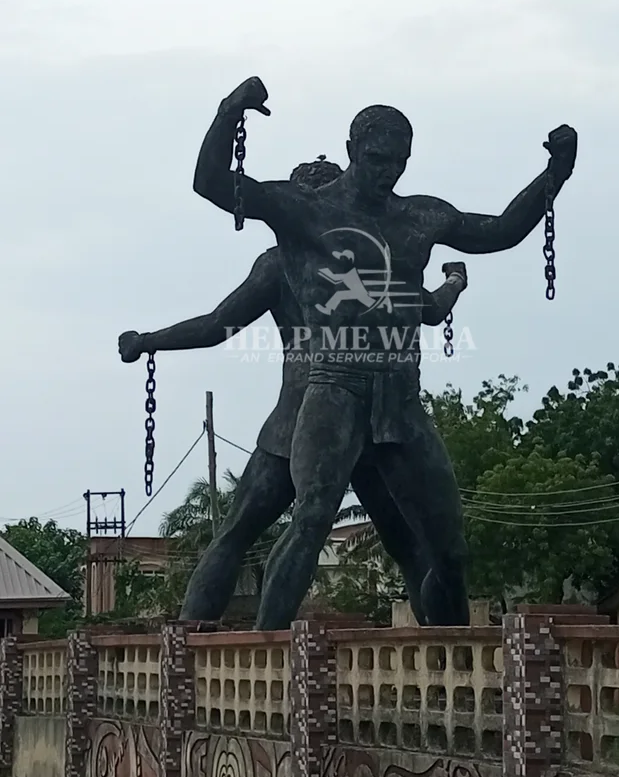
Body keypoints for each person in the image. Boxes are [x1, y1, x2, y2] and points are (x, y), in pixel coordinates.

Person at [191, 76, 577, 630]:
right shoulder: (305, 209)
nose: (387, 171)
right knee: (312, 520)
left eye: (398, 161)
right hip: (334, 385)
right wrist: (230, 112)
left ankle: (456, 666)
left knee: (449, 550)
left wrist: (554, 174)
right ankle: (269, 653)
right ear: (351, 151)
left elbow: (499, 232)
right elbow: (210, 184)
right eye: (376, 159)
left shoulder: (419, 216)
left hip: (400, 397)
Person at [119, 157, 468, 625]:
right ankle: (444, 655)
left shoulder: (283, 265)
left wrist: (149, 341)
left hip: (303, 422)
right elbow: (430, 308)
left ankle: (202, 649)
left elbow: (215, 325)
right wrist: (455, 281)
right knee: (409, 548)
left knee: (237, 535)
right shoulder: (366, 264)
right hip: (369, 425)